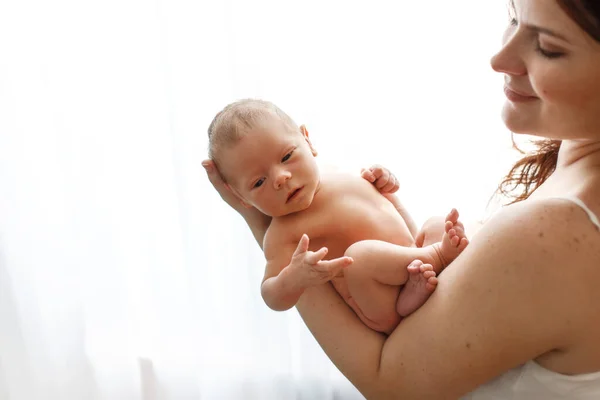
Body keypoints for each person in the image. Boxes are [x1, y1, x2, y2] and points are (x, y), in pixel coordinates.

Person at [203, 0, 600, 397]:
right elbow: (277, 287)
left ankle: (432, 256)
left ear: (307, 140)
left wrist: (260, 218)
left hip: (408, 276)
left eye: (548, 46)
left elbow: (392, 384)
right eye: (513, 18)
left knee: (393, 245)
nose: (499, 59)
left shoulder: (558, 230)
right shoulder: (571, 163)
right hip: (394, 289)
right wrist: (288, 257)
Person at [206, 99, 469, 334]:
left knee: (435, 222)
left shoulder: (337, 172)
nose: (280, 178)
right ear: (242, 199)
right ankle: (438, 257)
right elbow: (270, 294)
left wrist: (384, 181)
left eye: (287, 156)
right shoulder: (282, 234)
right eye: (259, 182)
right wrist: (294, 278)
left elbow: (384, 206)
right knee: (361, 256)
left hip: (412, 258)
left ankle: (425, 266)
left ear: (307, 140)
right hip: (383, 302)